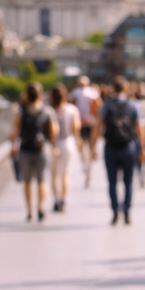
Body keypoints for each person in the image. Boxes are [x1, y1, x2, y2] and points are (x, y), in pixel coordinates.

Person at [99, 76, 145, 225]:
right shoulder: (133, 106)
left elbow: (97, 127)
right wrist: (143, 148)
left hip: (111, 147)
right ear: (126, 89)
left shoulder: (106, 105)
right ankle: (127, 210)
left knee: (112, 182)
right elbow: (140, 128)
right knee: (128, 182)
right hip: (128, 147)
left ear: (112, 89)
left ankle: (115, 211)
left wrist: (92, 146)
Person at [11, 81, 57, 223]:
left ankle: (30, 210)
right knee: (42, 180)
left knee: (27, 182)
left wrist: (12, 145)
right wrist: (53, 145)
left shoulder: (21, 111)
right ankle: (40, 207)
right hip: (41, 149)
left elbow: (15, 132)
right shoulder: (47, 110)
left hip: (25, 149)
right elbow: (54, 131)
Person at [49, 83, 81, 214]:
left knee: (54, 175)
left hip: (52, 145)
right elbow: (76, 128)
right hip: (67, 143)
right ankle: (63, 198)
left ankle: (56, 198)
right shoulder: (71, 109)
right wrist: (78, 142)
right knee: (65, 174)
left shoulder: (49, 110)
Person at [72, 74, 101, 188]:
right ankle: (87, 165)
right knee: (85, 146)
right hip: (85, 123)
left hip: (87, 123)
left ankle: (87, 166)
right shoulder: (88, 93)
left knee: (86, 146)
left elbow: (97, 106)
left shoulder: (86, 93)